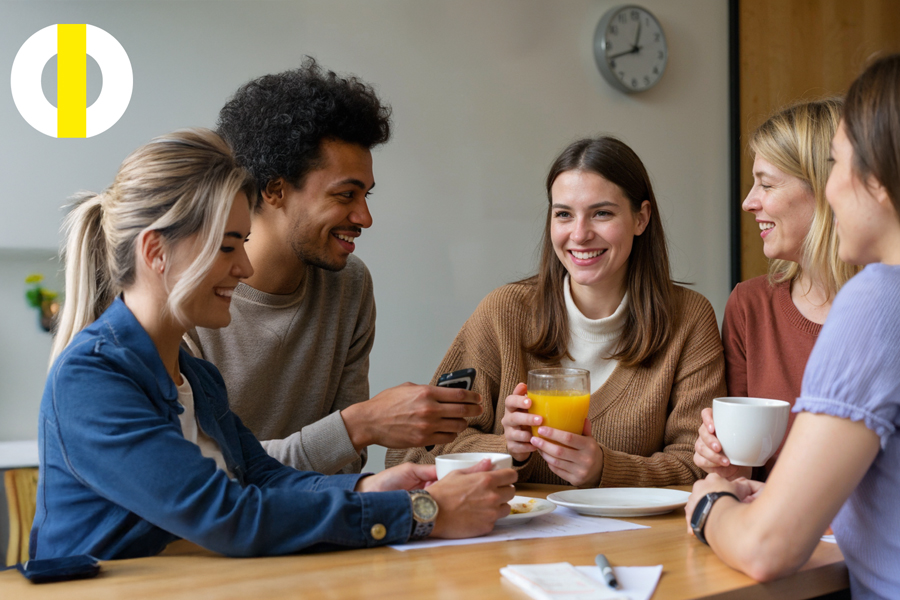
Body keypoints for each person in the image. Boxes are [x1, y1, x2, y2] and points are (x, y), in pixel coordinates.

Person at [33, 129, 516, 560]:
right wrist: (418, 513)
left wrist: (371, 487)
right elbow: (230, 517)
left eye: (242, 243)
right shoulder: (93, 379)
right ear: (156, 251)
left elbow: (263, 477)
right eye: (227, 246)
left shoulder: (194, 376)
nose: (243, 267)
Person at [182, 59, 482, 475]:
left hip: (317, 526)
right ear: (274, 190)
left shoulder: (350, 285)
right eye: (345, 195)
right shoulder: (189, 298)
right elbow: (195, 473)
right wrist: (361, 424)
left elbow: (345, 463)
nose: (364, 218)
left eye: (367, 197)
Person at [388, 137, 726, 488]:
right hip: (510, 538)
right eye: (564, 214)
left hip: (632, 541)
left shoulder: (687, 318)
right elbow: (414, 454)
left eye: (602, 213)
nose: (579, 235)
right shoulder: (503, 313)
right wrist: (508, 450)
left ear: (641, 218)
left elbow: (699, 466)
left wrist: (604, 470)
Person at [684, 54, 900, 598]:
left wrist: (710, 505)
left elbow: (767, 549)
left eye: (840, 164)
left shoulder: (876, 301)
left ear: (877, 179)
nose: (833, 189)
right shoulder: (755, 303)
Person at [693, 99, 859, 481]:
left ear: (825, 189)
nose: (748, 203)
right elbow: (742, 477)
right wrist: (722, 459)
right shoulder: (750, 306)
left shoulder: (883, 307)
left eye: (766, 184)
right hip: (779, 531)